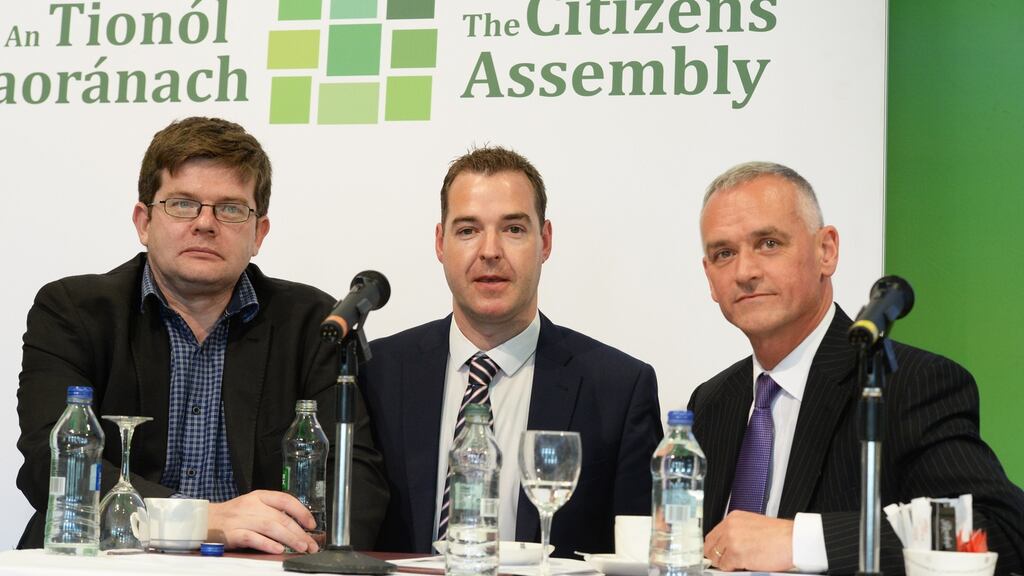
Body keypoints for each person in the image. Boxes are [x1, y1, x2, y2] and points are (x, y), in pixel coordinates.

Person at [16, 117, 388, 553]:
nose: (205, 223)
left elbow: (356, 478)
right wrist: (198, 521)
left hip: (255, 565)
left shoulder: (313, 323)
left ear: (258, 233)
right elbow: (52, 464)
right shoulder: (74, 311)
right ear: (144, 221)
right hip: (112, 560)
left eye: (230, 208)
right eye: (182, 204)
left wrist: (303, 547)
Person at [690, 161, 1024, 574]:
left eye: (769, 243)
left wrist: (800, 541)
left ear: (825, 250)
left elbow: (1001, 532)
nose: (745, 272)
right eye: (724, 254)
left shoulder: (908, 384)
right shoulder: (711, 401)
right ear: (709, 277)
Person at [359, 146, 662, 555]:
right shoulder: (377, 373)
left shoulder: (619, 389)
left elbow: (641, 556)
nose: (489, 251)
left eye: (513, 229)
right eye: (468, 230)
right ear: (440, 243)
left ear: (545, 241)